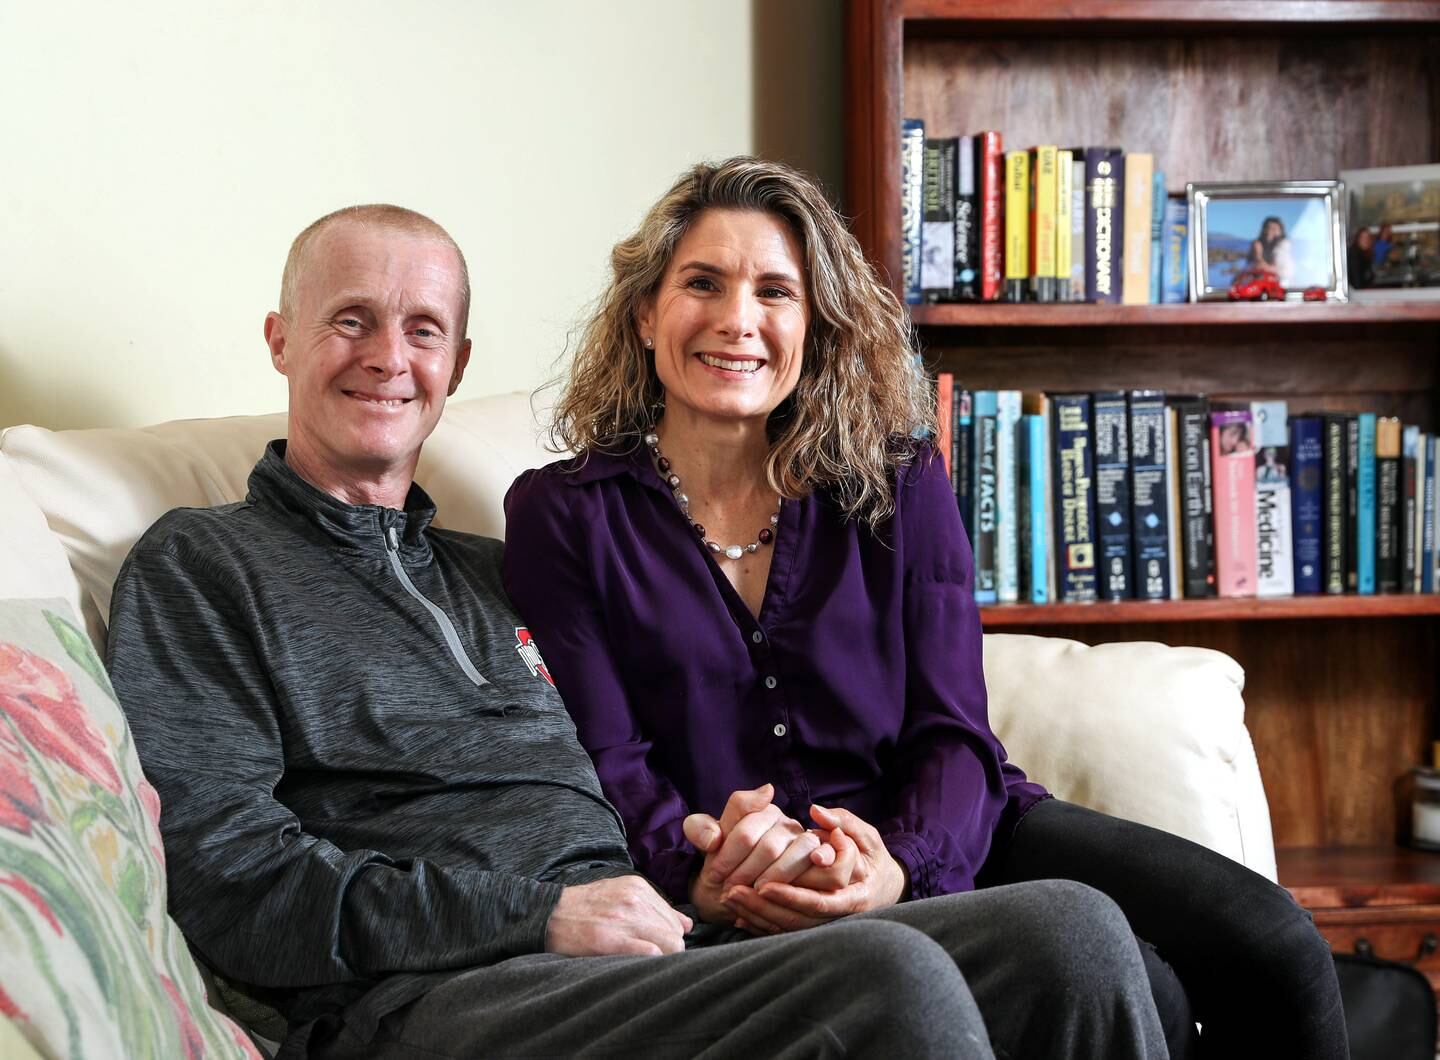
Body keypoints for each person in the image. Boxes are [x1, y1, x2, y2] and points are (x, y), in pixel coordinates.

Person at [106, 203, 1166, 1059]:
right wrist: (540, 916)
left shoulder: (495, 573)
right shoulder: (206, 566)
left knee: (1063, 930)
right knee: (888, 977)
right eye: (350, 320)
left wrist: (727, 858)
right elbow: (230, 879)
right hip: (445, 994)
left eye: (423, 329)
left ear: (458, 364)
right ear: (281, 339)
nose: (389, 356)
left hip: (654, 951)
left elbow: (640, 754)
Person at [503, 158, 1348, 1060]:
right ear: (644, 312)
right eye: (701, 283)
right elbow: (607, 759)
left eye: (776, 292)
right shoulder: (564, 515)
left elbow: (952, 727)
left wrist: (900, 868)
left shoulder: (898, 480)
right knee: (1149, 988)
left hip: (949, 832)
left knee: (1273, 945)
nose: (737, 320)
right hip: (736, 877)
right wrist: (697, 874)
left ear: (817, 325)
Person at [1246, 215, 1294, 286]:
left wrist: (1259, 259)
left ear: (1281, 231)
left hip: (1282, 281)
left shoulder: (1284, 245)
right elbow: (1252, 265)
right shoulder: (1258, 244)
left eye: (1274, 229)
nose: (1269, 231)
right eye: (1267, 228)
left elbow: (1278, 269)